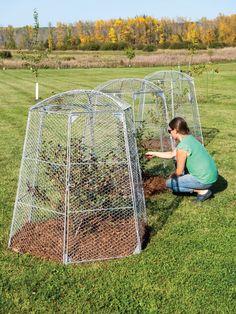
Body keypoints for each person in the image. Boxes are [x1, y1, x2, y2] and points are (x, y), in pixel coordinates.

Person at [145, 117, 218, 202]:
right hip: (212, 176)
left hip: (204, 180)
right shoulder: (189, 139)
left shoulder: (182, 147)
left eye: (169, 131)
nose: (169, 134)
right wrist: (154, 153)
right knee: (174, 179)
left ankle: (202, 191)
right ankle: (199, 187)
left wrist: (171, 177)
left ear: (175, 130)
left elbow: (179, 172)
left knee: (170, 184)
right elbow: (171, 154)